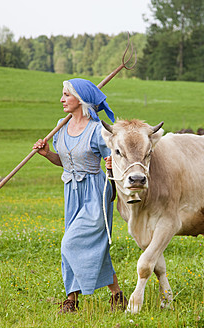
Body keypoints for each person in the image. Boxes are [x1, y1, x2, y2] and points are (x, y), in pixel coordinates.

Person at [33, 78, 127, 314]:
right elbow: (64, 162)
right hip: (71, 192)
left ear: (81, 100)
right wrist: (47, 154)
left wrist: (111, 163)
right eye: (63, 94)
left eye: (66, 95)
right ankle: (78, 299)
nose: (62, 99)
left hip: (96, 192)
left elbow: (117, 160)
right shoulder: (61, 126)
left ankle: (78, 297)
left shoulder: (98, 131)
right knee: (89, 246)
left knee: (71, 243)